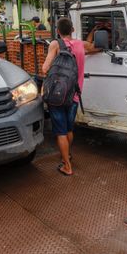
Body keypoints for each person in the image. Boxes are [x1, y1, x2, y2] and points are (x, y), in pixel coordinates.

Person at [42, 17, 100, 175]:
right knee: (68, 128)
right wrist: (94, 33)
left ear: (58, 31)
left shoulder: (55, 44)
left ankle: (67, 165)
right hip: (74, 94)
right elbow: (97, 47)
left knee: (60, 132)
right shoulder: (82, 45)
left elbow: (45, 68)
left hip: (58, 95)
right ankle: (67, 154)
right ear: (72, 30)